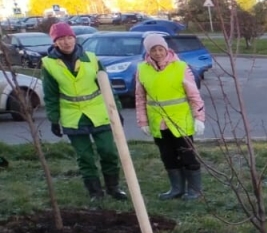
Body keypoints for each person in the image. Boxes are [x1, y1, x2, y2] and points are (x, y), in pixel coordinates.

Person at [40, 22, 126, 202]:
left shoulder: (92, 59)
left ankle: (113, 188)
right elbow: (50, 95)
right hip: (73, 117)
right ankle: (95, 192)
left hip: (99, 112)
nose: (66, 42)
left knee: (108, 151)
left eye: (69, 37)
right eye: (61, 39)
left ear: (75, 38)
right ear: (55, 42)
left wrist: (116, 109)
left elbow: (107, 87)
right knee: (85, 156)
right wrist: (54, 119)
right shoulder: (49, 64)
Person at [135, 32, 205, 200]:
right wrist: (143, 121)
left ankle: (195, 190)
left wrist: (199, 118)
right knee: (167, 156)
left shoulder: (180, 67)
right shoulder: (142, 69)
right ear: (148, 52)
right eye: (153, 50)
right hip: (158, 123)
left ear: (166, 49)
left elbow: (194, 95)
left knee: (187, 155)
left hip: (180, 121)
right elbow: (140, 97)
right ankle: (176, 188)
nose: (158, 53)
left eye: (160, 49)